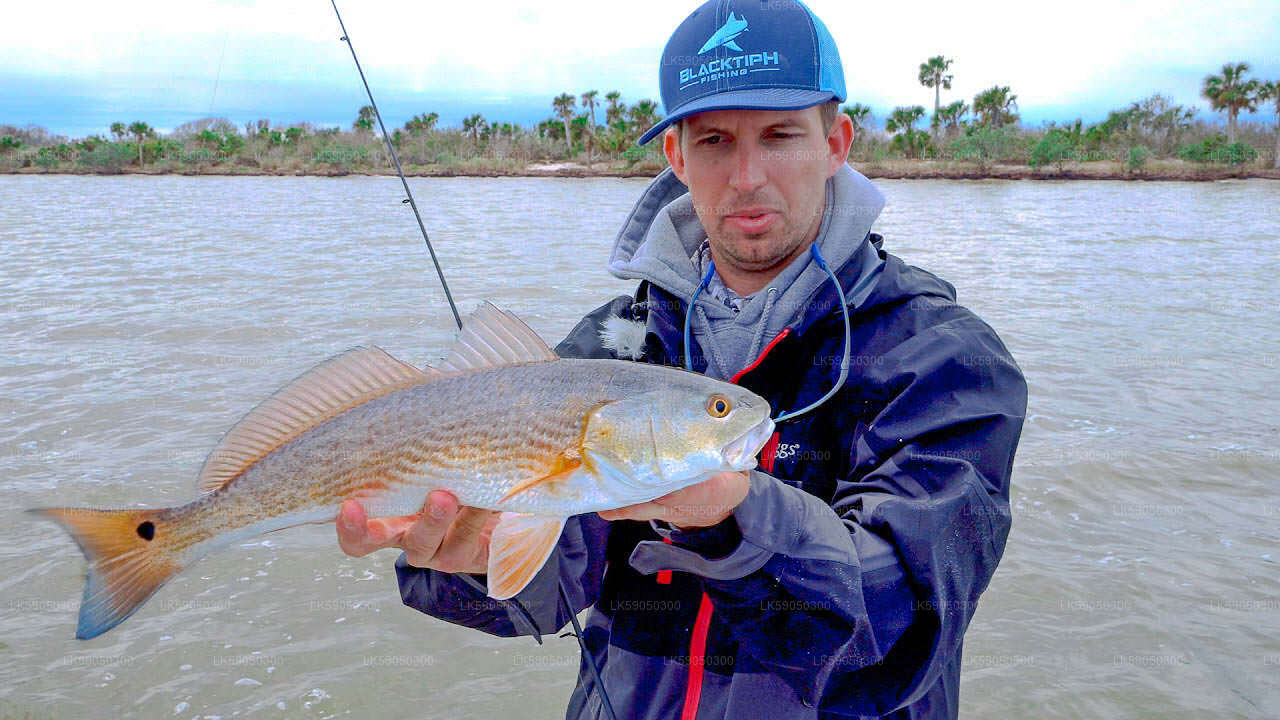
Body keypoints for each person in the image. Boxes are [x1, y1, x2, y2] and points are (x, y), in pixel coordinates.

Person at [337, 1, 1027, 717]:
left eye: (781, 135)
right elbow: (552, 588)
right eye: (715, 141)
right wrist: (470, 560)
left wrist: (735, 519)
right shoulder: (607, 347)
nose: (747, 175)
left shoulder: (946, 361)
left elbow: (904, 623)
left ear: (837, 142)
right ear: (676, 156)